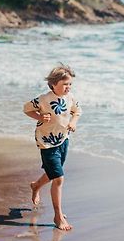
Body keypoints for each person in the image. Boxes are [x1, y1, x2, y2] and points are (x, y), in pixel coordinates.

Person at [23, 64, 82, 231]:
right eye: (65, 84)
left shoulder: (70, 97)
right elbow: (26, 108)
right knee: (58, 178)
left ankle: (35, 186)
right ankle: (58, 216)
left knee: (53, 173)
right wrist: (40, 116)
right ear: (53, 84)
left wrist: (73, 122)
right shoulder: (43, 99)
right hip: (47, 142)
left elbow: (77, 111)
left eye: (70, 84)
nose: (68, 87)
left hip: (63, 140)